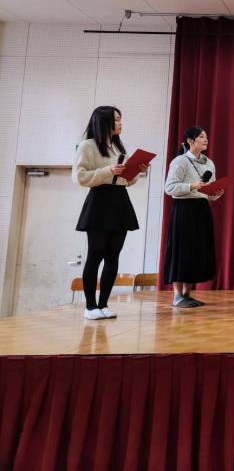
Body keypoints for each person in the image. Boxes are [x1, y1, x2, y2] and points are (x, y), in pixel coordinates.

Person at [72, 106, 143, 320]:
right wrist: (108, 171)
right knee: (95, 254)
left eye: (120, 119)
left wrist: (136, 171)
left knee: (113, 255)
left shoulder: (118, 146)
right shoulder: (88, 145)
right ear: (104, 122)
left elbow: (126, 180)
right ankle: (90, 306)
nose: (121, 123)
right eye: (117, 119)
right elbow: (79, 177)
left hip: (120, 200)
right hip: (99, 201)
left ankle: (103, 304)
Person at [163, 127, 223, 308]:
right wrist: (192, 186)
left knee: (196, 251)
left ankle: (188, 294)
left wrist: (216, 193)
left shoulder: (209, 163)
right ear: (190, 141)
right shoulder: (180, 161)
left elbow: (209, 194)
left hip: (201, 209)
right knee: (181, 250)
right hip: (183, 209)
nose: (206, 140)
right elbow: (169, 188)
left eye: (206, 137)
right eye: (201, 137)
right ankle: (177, 295)